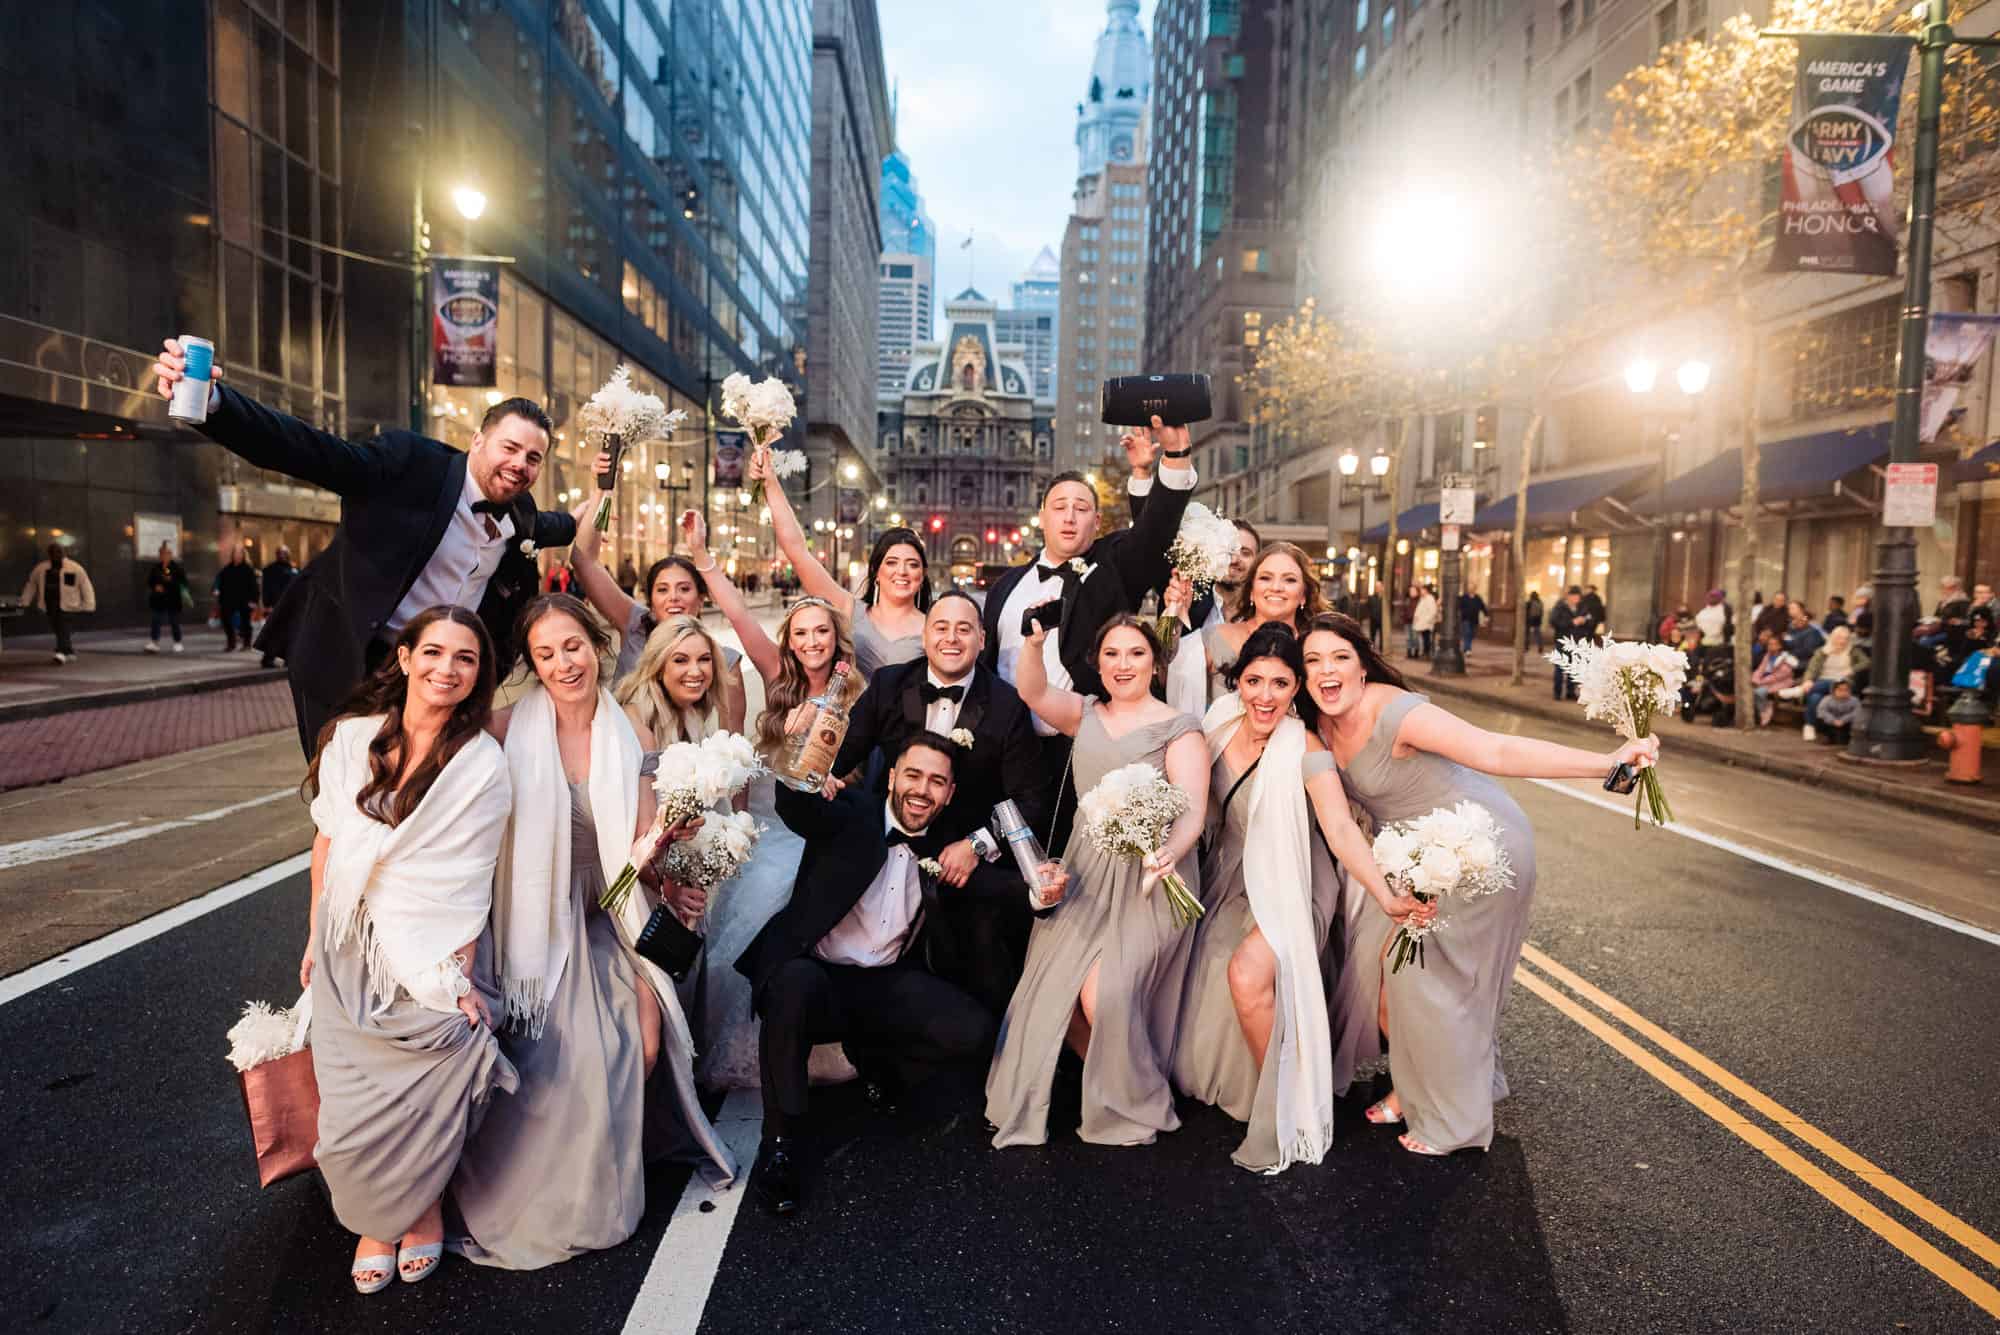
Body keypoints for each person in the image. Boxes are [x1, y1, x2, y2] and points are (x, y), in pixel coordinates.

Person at [1302, 612, 1658, 1155]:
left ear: (1362, 663)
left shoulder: (1397, 712)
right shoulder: (1318, 726)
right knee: (1384, 976)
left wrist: (1605, 764)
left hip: (1476, 844)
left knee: (1430, 984)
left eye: (1339, 658)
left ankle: (1454, 1125)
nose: (1327, 671)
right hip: (1411, 856)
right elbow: (1339, 823)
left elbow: (1495, 751)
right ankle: (1422, 1084)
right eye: (1313, 662)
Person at [452, 594, 735, 1269]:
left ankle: (601, 1179)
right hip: (528, 913)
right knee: (559, 1045)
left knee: (640, 1033)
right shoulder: (502, 726)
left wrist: (675, 855)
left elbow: (642, 844)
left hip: (613, 908)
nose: (562, 663)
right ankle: (530, 1191)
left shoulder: (631, 733)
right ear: (533, 663)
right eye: (546, 653)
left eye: (572, 646)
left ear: (597, 645)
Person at [151, 338, 580, 757]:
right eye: (510, 448)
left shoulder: (521, 512)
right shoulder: (409, 464)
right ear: (478, 442)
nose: (519, 465)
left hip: (434, 671)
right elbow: (308, 451)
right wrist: (214, 403)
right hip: (350, 655)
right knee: (343, 798)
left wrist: (597, 502)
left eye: (533, 458)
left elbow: (560, 526)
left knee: (418, 798)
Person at [299, 606, 516, 1294]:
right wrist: (313, 934)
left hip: (427, 948)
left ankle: (418, 1205)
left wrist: (459, 973)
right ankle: (375, 1213)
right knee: (351, 1100)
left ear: (479, 675)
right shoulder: (351, 738)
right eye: (435, 652)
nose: (446, 669)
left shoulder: (481, 762)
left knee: (433, 1077)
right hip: (349, 939)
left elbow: (469, 876)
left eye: (466, 659)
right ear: (404, 656)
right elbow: (327, 843)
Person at [1170, 625, 1429, 1174]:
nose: (1265, 695)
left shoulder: (1304, 746)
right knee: (1199, 969)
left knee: (1247, 974)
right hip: (1227, 878)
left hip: (1294, 883)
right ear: (1236, 681)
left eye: (1280, 684)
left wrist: (1385, 895)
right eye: (1254, 680)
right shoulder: (1216, 723)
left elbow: (1338, 828)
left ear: (1296, 690)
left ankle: (1281, 1105)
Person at [740, 733, 1006, 1216]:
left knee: (973, 1032)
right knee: (792, 989)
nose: (922, 790)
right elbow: (796, 808)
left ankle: (872, 1055)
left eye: (936, 782)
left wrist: (1042, 893)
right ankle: (778, 1142)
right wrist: (801, 759)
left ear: (949, 793)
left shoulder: (951, 839)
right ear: (891, 778)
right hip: (817, 973)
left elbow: (1000, 880)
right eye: (913, 775)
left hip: (885, 980)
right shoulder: (851, 812)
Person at [986, 615, 1208, 1149]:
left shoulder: (1178, 727)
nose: (1123, 664)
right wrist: (1035, 645)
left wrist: (1165, 857)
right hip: (1086, 871)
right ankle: (1120, 1082)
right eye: (1112, 654)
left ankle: (1131, 1097)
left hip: (1151, 875)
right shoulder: (1084, 713)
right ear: (1098, 662)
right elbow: (1033, 690)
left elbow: (1193, 814)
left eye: (1135, 653)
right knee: (1059, 991)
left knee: (1102, 992)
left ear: (1155, 663)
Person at [826, 589, 1047, 1015]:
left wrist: (977, 846)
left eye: (964, 629)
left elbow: (1031, 799)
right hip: (889, 849)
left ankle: (982, 1056)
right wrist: (820, 757)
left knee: (985, 962)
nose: (951, 638)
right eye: (941, 627)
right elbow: (841, 757)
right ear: (925, 636)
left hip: (964, 861)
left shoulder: (1006, 705)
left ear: (982, 639)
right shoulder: (890, 685)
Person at [980, 415, 1196, 847]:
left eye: (1081, 509)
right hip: (1005, 752)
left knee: (1075, 864)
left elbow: (1154, 534)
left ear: (1096, 523)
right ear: (1041, 517)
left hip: (1080, 748)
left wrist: (1172, 459)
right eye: (1059, 507)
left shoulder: (1110, 568)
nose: (1069, 517)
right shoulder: (1004, 587)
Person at [752, 445, 931, 677]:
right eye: (892, 562)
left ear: (923, 574)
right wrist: (771, 485)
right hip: (851, 712)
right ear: (876, 571)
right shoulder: (850, 611)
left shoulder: (934, 626)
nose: (902, 571)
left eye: (913, 564)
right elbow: (798, 553)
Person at [569, 508, 748, 728]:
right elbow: (584, 561)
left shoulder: (725, 660)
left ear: (701, 598)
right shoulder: (634, 624)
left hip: (680, 760)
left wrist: (700, 550)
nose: (673, 597)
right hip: (618, 752)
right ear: (651, 601)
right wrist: (602, 495)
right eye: (662, 590)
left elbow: (733, 740)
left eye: (684, 589)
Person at [1163, 541, 1328, 713]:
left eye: (1290, 580)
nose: (1276, 587)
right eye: (1265, 578)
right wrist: (1173, 614)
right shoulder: (1216, 637)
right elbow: (1162, 667)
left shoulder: (1315, 646)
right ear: (1251, 591)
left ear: (1304, 595)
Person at [614, 614, 729, 748]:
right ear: (658, 668)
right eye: (680, 660)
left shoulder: (691, 711)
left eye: (704, 659)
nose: (696, 672)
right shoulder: (636, 722)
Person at [20, 544, 94, 664]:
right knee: (59, 629)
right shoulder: (41, 569)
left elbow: (85, 586)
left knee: (63, 627)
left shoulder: (74, 568)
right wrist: (25, 601)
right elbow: (31, 585)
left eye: (59, 552)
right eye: (53, 552)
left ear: (64, 553)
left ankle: (60, 652)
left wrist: (89, 604)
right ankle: (69, 651)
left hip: (68, 605)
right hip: (49, 605)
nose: (57, 554)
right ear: (49, 554)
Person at [1799, 626, 1867, 742]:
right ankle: (1809, 726)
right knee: (1815, 697)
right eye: (1839, 638)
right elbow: (1812, 669)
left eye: (1845, 638)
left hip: (1842, 683)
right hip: (1822, 682)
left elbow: (1866, 662)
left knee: (1830, 683)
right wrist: (1808, 680)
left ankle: (1798, 691)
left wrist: (1852, 670)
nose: (1842, 641)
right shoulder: (1822, 651)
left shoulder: (1854, 651)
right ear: (1832, 638)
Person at [144, 541, 190, 654]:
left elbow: (184, 583)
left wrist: (171, 582)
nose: (164, 556)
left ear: (171, 555)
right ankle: (154, 642)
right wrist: (156, 586)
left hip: (173, 599)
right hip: (159, 599)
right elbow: (150, 581)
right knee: (156, 620)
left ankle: (177, 642)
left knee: (174, 621)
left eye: (166, 554)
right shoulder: (156, 568)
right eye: (162, 554)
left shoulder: (177, 568)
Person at [1749, 630, 1797, 727]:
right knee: (1749, 689)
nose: (1770, 646)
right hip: (1765, 680)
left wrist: (1760, 682)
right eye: (1769, 644)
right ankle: (1759, 710)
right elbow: (1760, 669)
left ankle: (1765, 710)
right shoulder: (1767, 655)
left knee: (1759, 692)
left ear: (1780, 646)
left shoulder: (1786, 659)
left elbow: (1777, 676)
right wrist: (1755, 678)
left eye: (1774, 644)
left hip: (1781, 682)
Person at [217, 545, 259, 652]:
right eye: (235, 554)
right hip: (229, 600)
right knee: (226, 620)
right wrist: (220, 599)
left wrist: (254, 601)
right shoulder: (227, 569)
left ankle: (247, 643)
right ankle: (231, 642)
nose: (237, 556)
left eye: (239, 554)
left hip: (245, 600)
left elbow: (254, 586)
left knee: (246, 622)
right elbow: (221, 584)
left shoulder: (248, 569)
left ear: (243, 556)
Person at [260, 547, 298, 667]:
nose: (282, 555)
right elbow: (266, 589)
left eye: (284, 553)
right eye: (279, 553)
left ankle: (287, 658)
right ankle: (268, 659)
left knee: (289, 633)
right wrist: (267, 605)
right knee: (276, 633)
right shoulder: (270, 570)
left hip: (290, 605)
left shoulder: (293, 569)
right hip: (275, 605)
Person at [1548, 587, 1585, 700]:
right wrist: (1571, 622)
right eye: (1575, 597)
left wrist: (1582, 622)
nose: (1576, 600)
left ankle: (1570, 692)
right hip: (1562, 641)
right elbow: (1554, 622)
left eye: (1578, 598)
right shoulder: (1560, 607)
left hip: (1575, 642)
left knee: (1573, 668)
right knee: (1560, 667)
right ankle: (1557, 693)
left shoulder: (1579, 608)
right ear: (1569, 596)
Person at [1815, 679, 1859, 745]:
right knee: (1820, 720)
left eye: (1846, 690)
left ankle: (1847, 738)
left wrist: (1844, 720)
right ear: (1834, 690)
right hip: (1830, 723)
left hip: (1845, 724)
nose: (1843, 692)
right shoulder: (1827, 699)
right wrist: (1833, 720)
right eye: (1840, 690)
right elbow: (1822, 711)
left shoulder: (1854, 700)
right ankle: (1826, 736)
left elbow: (1857, 712)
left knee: (1855, 723)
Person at [1783, 602, 1826, 667]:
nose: (1797, 621)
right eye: (1795, 620)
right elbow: (1788, 642)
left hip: (1804, 662)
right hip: (1791, 658)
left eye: (1803, 618)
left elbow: (1808, 651)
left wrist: (1789, 654)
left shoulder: (1812, 631)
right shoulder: (1792, 629)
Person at [1411, 584, 1439, 659]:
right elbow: (1419, 610)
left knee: (1427, 639)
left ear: (1426, 590)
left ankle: (1427, 653)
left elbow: (1433, 611)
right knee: (1424, 638)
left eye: (1422, 590)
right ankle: (1425, 653)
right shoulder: (1423, 599)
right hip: (1422, 623)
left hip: (1426, 623)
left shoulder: (1430, 599)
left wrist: (1427, 620)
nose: (1421, 591)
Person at [1458, 587, 1487, 655]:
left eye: (1473, 588)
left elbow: (1482, 606)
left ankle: (1466, 648)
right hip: (1465, 619)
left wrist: (1486, 615)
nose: (1471, 589)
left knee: (1472, 634)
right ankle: (1468, 649)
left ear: (1475, 589)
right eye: (1470, 588)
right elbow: (1459, 606)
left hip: (1474, 620)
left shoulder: (1477, 598)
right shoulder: (1464, 597)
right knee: (1467, 633)